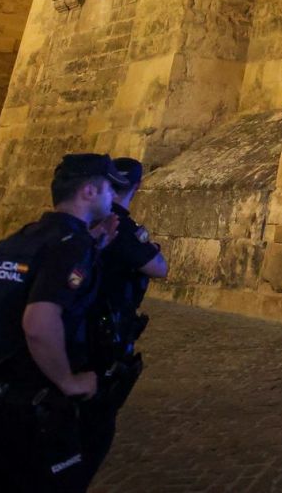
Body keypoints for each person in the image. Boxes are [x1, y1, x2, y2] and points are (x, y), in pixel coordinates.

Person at [0, 153, 125, 492]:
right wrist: (69, 380)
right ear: (88, 192)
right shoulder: (70, 246)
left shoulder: (19, 240)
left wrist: (94, 247)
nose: (113, 199)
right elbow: (38, 322)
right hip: (29, 409)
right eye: (109, 189)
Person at [80, 156, 168, 481]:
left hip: (73, 334)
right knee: (91, 434)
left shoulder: (82, 221)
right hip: (104, 338)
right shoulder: (121, 227)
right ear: (137, 186)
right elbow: (159, 267)